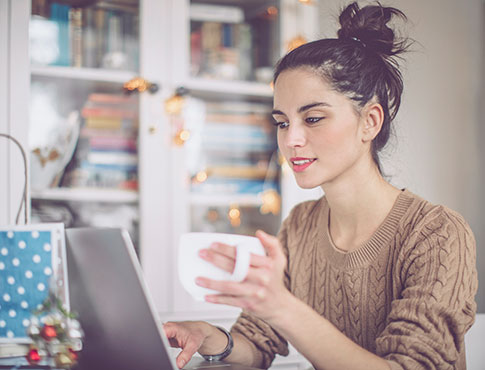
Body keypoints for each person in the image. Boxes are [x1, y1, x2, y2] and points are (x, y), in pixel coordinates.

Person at [163, 2, 478, 369]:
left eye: (313, 118)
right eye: (282, 122)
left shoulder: (437, 234)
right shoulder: (300, 225)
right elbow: (257, 342)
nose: (292, 139)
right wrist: (209, 336)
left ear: (370, 122)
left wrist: (282, 305)